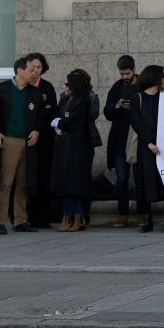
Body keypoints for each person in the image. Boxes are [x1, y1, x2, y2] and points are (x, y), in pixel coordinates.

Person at [0, 56, 42, 235]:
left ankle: (20, 220)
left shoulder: (34, 92)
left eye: (36, 70)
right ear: (19, 70)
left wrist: (37, 130)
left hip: (29, 142)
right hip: (9, 141)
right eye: (30, 69)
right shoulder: (1, 89)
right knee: (6, 182)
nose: (34, 72)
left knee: (23, 183)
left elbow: (42, 116)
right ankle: (1, 221)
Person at [129, 65, 164, 233]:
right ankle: (148, 220)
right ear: (154, 77)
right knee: (146, 181)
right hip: (146, 148)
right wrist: (149, 142)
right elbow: (137, 122)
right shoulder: (137, 98)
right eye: (162, 76)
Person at [50, 72, 94, 232]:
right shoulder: (63, 100)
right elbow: (56, 116)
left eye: (68, 84)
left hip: (78, 148)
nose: (65, 87)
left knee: (77, 183)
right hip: (64, 146)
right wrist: (59, 124)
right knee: (65, 183)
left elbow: (72, 120)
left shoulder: (83, 101)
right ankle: (66, 216)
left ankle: (77, 216)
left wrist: (60, 123)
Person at [104, 55, 143, 228]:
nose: (125, 77)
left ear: (134, 70)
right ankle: (122, 213)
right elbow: (107, 112)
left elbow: (148, 109)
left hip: (137, 138)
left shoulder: (143, 85)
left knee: (140, 178)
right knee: (121, 179)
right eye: (122, 74)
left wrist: (132, 107)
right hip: (120, 138)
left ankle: (142, 213)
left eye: (127, 73)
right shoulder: (117, 87)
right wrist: (116, 106)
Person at [24, 52, 58, 228]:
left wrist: (40, 129)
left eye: (39, 67)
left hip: (44, 140)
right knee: (27, 177)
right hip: (25, 139)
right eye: (33, 67)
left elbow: (50, 112)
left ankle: (43, 217)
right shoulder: (22, 86)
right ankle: (26, 216)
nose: (36, 71)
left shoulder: (47, 88)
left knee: (44, 176)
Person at [64, 68, 100, 225]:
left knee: (82, 179)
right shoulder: (65, 97)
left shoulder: (90, 98)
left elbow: (91, 116)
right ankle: (69, 215)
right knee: (69, 180)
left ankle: (82, 213)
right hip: (67, 142)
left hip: (84, 141)